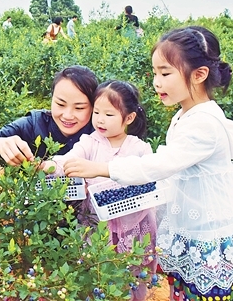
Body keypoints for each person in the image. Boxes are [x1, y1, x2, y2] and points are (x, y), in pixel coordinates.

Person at [62, 26, 233, 301]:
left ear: (199, 75)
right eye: (155, 73)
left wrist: (101, 169)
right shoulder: (185, 114)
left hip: (207, 234)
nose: (157, 82)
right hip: (190, 227)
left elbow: (159, 165)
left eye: (165, 73)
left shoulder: (204, 123)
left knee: (206, 292)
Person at [42, 80, 156, 301]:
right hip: (98, 225)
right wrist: (45, 165)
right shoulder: (90, 143)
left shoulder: (140, 149)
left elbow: (148, 180)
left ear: (129, 118)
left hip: (133, 225)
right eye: (96, 112)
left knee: (131, 275)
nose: (100, 120)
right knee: (97, 273)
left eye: (109, 115)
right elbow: (67, 160)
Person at [0, 65, 98, 166]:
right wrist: (0, 144)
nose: (67, 115)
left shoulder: (100, 131)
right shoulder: (34, 124)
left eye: (79, 108)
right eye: (60, 104)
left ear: (93, 107)